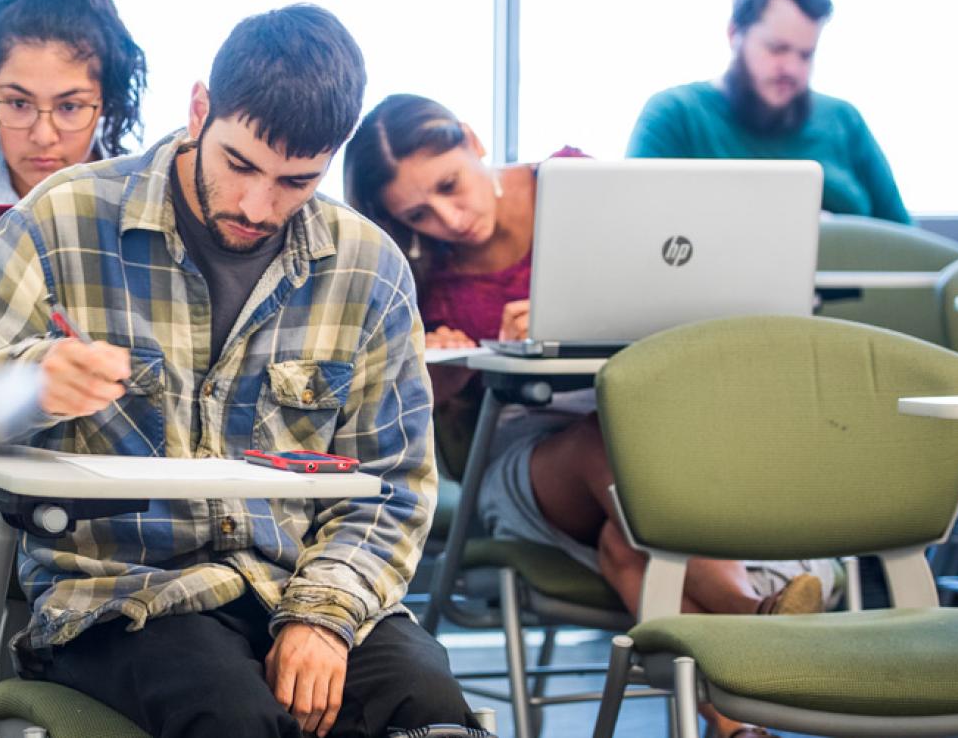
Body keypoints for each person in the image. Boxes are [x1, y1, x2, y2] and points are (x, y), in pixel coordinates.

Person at [0, 7, 476, 738]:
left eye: (296, 181)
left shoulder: (369, 268)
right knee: (234, 718)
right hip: (128, 597)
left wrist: (323, 615)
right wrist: (29, 379)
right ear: (200, 110)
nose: (258, 206)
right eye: (239, 165)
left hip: (297, 581)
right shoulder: (64, 219)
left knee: (431, 711)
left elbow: (393, 487)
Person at [347, 93, 835, 738]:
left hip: (650, 431)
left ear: (472, 140)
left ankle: (733, 724)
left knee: (627, 549)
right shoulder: (418, 267)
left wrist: (564, 318)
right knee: (601, 443)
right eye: (419, 212)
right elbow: (415, 411)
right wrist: (443, 366)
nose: (448, 217)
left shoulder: (577, 185)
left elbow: (670, 289)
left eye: (449, 185)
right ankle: (755, 619)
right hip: (530, 456)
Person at [625, 0, 911, 224]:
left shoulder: (844, 121)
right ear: (734, 34)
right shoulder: (675, 116)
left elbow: (909, 247)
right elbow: (634, 231)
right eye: (777, 49)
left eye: (805, 55)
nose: (792, 68)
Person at [0, 0, 146, 205]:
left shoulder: (142, 201)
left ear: (107, 101)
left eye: (69, 106)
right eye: (19, 103)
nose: (43, 137)